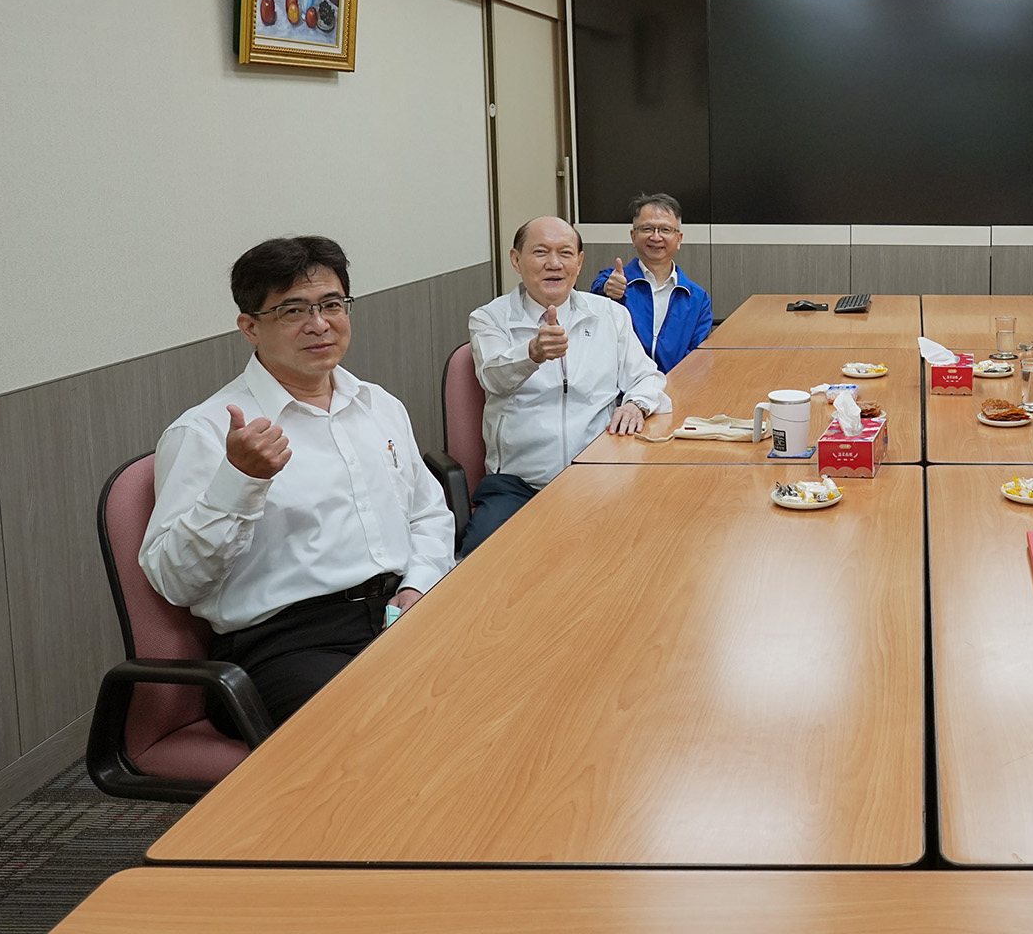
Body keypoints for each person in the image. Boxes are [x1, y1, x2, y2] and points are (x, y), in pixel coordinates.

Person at [142, 236, 455, 732]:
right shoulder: (205, 432)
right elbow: (174, 581)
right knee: (395, 725)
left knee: (516, 673)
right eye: (292, 311)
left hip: (401, 609)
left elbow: (428, 514)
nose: (319, 324)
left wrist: (418, 585)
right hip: (286, 642)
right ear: (250, 327)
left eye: (332, 304)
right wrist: (240, 479)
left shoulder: (379, 405)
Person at [462, 216, 666, 555]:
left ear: (579, 262)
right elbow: (492, 378)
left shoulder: (609, 314)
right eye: (540, 252)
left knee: (645, 549)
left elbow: (647, 376)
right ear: (516, 260)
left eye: (565, 253)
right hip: (518, 484)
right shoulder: (490, 318)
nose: (554, 263)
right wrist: (533, 353)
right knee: (480, 562)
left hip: (601, 475)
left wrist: (635, 404)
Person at [591, 193, 712, 372]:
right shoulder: (613, 280)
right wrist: (606, 289)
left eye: (665, 230)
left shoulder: (698, 299)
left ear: (679, 239)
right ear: (633, 236)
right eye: (647, 229)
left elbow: (696, 358)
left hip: (675, 386)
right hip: (622, 387)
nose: (656, 237)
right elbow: (596, 297)